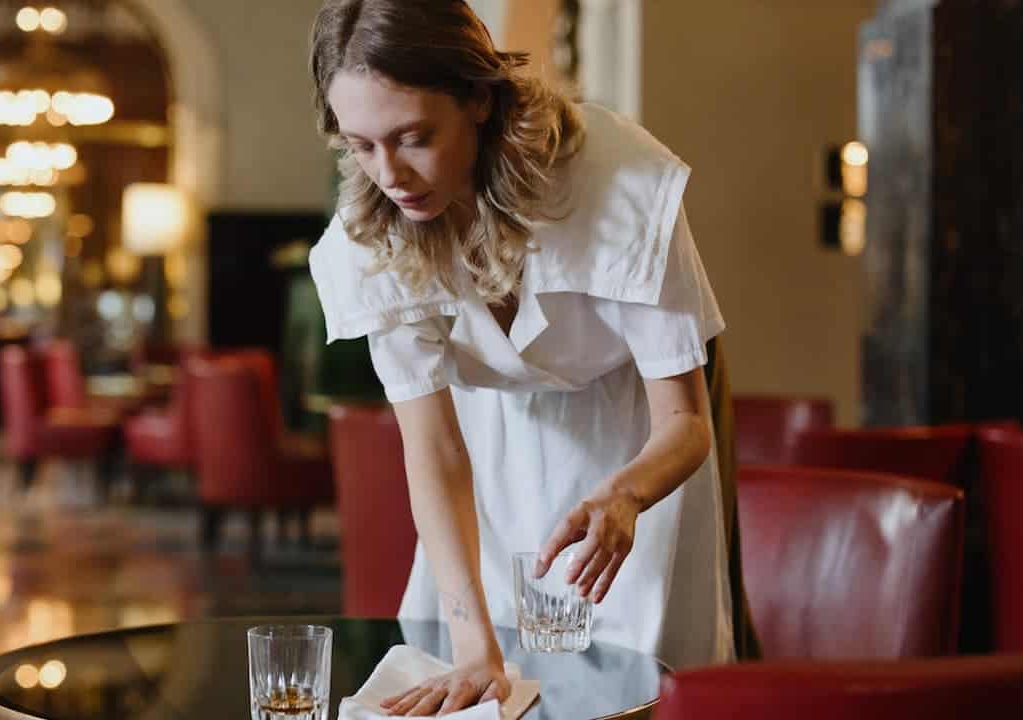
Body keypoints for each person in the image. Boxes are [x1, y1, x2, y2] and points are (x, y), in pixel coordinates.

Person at [309, 1, 736, 714]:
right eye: (361, 144)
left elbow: (687, 422)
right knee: (473, 685)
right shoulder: (372, 233)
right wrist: (473, 642)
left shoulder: (618, 184)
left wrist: (625, 494)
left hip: (635, 451)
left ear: (478, 96)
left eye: (414, 137)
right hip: (486, 458)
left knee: (634, 694)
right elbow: (435, 450)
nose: (391, 173)